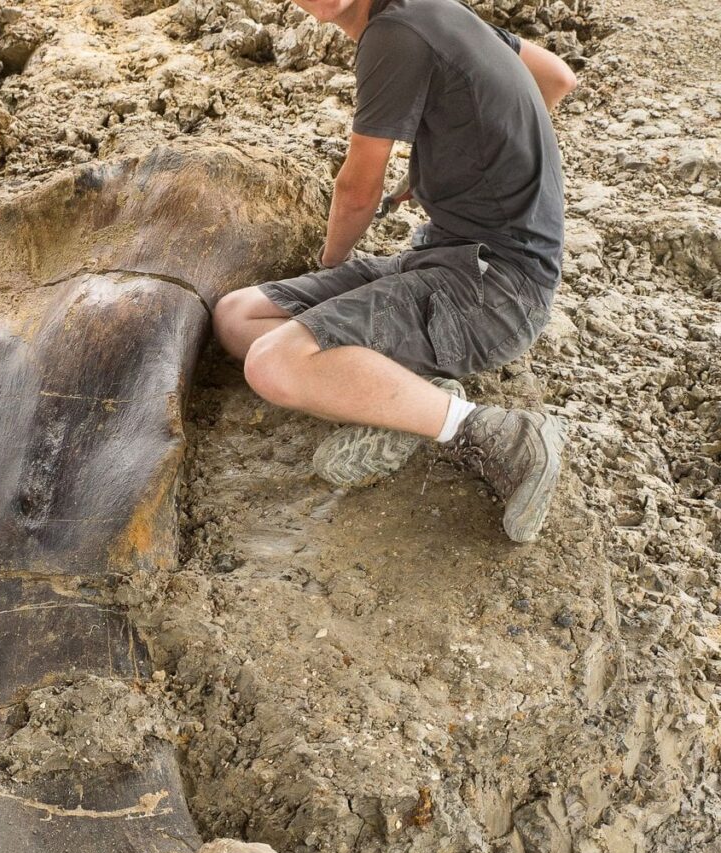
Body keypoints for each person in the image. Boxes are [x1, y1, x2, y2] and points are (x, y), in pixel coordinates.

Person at [212, 0, 578, 542]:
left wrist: (332, 263)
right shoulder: (437, 10)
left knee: (273, 364)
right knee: (237, 315)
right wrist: (462, 160)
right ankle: (410, 397)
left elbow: (358, 192)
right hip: (448, 256)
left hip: (495, 288)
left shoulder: (391, 35)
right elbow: (555, 77)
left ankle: (493, 433)